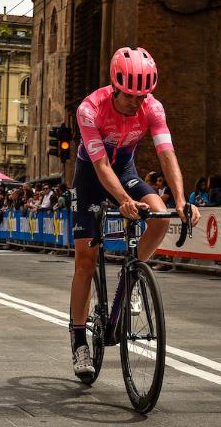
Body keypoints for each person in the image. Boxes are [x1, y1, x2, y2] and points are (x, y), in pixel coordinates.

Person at [69, 46, 200, 378]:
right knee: (85, 261)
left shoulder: (153, 108)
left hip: (125, 170)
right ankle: (79, 341)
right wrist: (124, 200)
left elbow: (166, 155)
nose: (136, 103)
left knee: (159, 215)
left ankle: (130, 277)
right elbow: (100, 165)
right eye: (130, 96)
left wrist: (181, 200)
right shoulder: (89, 109)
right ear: (115, 87)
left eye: (142, 96)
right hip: (91, 177)